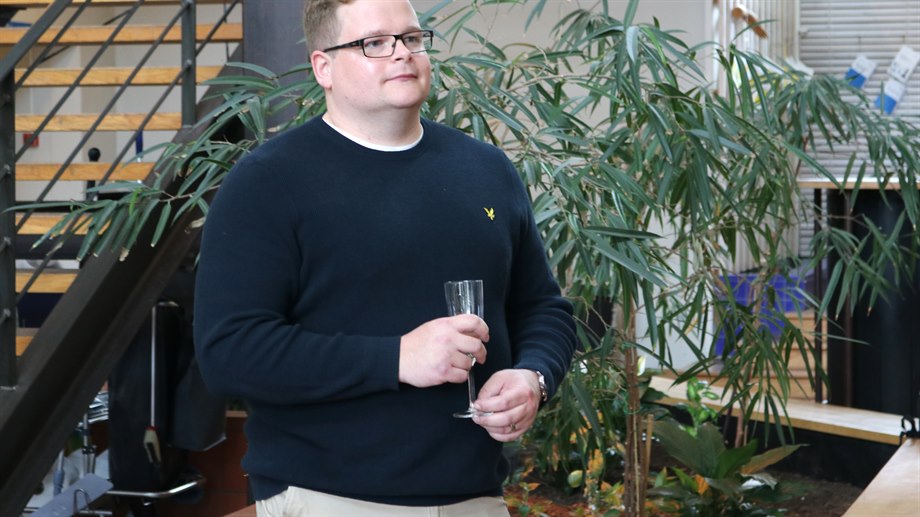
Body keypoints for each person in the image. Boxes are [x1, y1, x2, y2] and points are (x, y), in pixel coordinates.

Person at [193, 0, 576, 514]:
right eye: (373, 43)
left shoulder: (486, 169)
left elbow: (543, 308)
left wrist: (535, 376)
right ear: (323, 67)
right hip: (328, 497)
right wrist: (396, 358)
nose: (401, 53)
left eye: (412, 38)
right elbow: (229, 352)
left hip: (477, 498)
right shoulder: (268, 182)